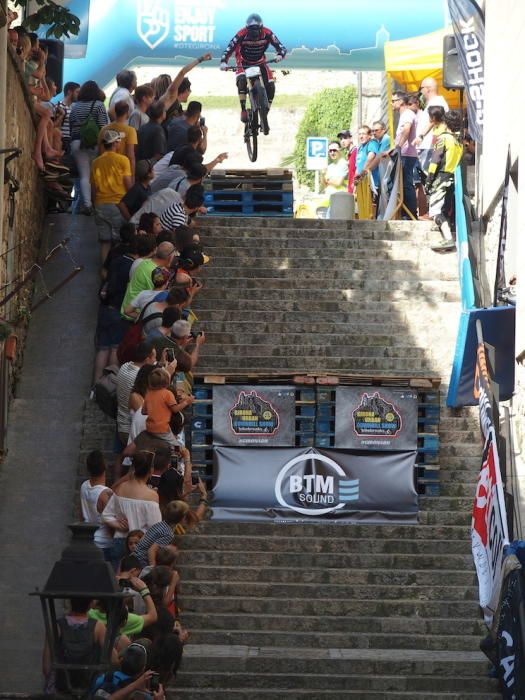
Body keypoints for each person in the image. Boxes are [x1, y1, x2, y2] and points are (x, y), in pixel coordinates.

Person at [220, 13, 287, 124]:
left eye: (257, 31)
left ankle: (266, 112)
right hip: (243, 61)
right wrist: (223, 62)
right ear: (247, 29)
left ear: (261, 28)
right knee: (241, 79)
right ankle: (243, 109)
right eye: (251, 32)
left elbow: (282, 48)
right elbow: (229, 49)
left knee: (271, 86)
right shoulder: (241, 34)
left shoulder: (268, 33)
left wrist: (280, 55)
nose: (254, 35)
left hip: (260, 62)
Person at [102, 451, 163, 565]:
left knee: (117, 578)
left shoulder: (121, 488)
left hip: (120, 540)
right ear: (151, 471)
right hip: (141, 544)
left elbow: (106, 516)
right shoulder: (152, 495)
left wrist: (119, 525)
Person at [91, 129, 133, 264]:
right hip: (117, 205)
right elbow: (127, 183)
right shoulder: (123, 160)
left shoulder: (96, 162)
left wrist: (94, 204)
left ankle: (103, 270)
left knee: (105, 242)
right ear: (115, 143)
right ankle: (113, 272)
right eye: (119, 141)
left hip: (100, 204)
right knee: (118, 241)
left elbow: (93, 187)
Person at [69, 80, 109, 215]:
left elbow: (71, 126)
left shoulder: (74, 106)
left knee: (84, 175)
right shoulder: (99, 105)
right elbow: (104, 127)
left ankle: (87, 204)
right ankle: (98, 202)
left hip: (76, 143)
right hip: (94, 143)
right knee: (96, 175)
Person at [426, 110, 463, 252]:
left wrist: (429, 179)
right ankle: (447, 234)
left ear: (445, 122)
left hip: (441, 178)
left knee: (435, 211)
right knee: (443, 209)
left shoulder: (443, 138)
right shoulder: (458, 142)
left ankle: (448, 239)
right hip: (452, 179)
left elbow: (435, 159)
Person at [116, 342, 157, 445]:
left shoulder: (126, 366)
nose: (155, 361)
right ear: (147, 359)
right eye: (154, 358)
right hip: (132, 430)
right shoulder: (138, 377)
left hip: (122, 423)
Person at [142, 367, 193, 448]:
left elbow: (143, 412)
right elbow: (175, 409)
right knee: (177, 447)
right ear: (166, 382)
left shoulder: (148, 394)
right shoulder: (167, 393)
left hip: (149, 428)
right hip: (162, 429)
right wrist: (186, 402)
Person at [80, 451, 113, 561]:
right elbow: (112, 524)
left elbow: (81, 514)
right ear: (105, 467)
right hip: (103, 543)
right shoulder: (106, 494)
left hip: (87, 539)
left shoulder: (84, 486)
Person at [413, 76, 449, 174]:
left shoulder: (437, 102)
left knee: (428, 178)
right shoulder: (432, 103)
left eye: (421, 88)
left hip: (430, 147)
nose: (420, 92)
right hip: (426, 147)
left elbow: (432, 121)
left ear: (428, 89)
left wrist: (421, 136)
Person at [392, 91, 418, 218]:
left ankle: (410, 214)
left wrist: (398, 146)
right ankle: (406, 213)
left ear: (401, 101)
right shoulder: (405, 115)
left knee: (407, 184)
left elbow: (407, 129)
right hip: (405, 153)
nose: (392, 104)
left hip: (407, 154)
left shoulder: (407, 114)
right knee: (404, 183)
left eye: (393, 101)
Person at [98, 100, 138, 175]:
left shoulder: (104, 129)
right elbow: (131, 156)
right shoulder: (130, 131)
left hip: (105, 171)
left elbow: (100, 151)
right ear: (127, 113)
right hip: (121, 172)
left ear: (115, 112)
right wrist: (132, 176)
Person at [354, 126, 379, 191]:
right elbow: (358, 165)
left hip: (371, 184)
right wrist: (355, 180)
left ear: (369, 136)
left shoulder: (372, 143)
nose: (361, 136)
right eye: (359, 134)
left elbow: (371, 157)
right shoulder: (360, 148)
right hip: (361, 183)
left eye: (363, 134)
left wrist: (362, 173)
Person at [57, 80, 80, 153]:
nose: (78, 95)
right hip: (63, 141)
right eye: (77, 92)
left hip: (70, 141)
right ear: (69, 92)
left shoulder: (72, 108)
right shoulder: (60, 107)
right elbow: (56, 126)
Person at [337, 129, 357, 193]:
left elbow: (359, 170)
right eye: (341, 139)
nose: (342, 141)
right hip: (350, 190)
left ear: (351, 139)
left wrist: (355, 186)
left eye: (345, 138)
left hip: (356, 190)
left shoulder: (356, 151)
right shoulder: (349, 154)